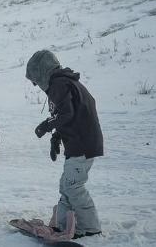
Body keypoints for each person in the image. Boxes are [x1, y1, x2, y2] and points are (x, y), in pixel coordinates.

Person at [26, 50, 103, 239]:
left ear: (43, 71)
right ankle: (64, 225)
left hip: (82, 144)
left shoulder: (59, 84)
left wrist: (46, 126)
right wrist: (56, 137)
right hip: (80, 142)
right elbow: (70, 114)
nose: (36, 84)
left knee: (73, 186)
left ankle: (91, 227)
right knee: (66, 185)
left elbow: (66, 114)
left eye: (35, 78)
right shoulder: (65, 82)